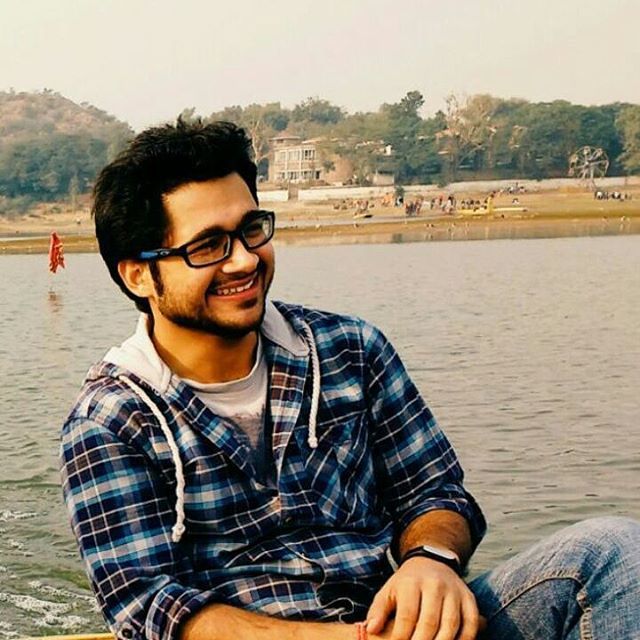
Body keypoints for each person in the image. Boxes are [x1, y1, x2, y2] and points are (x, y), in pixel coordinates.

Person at [60, 119, 640, 640]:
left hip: (397, 623)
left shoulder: (349, 349)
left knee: (610, 551)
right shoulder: (110, 420)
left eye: (251, 229)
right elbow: (149, 605)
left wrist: (431, 561)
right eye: (208, 246)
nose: (244, 260)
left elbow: (436, 492)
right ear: (138, 275)